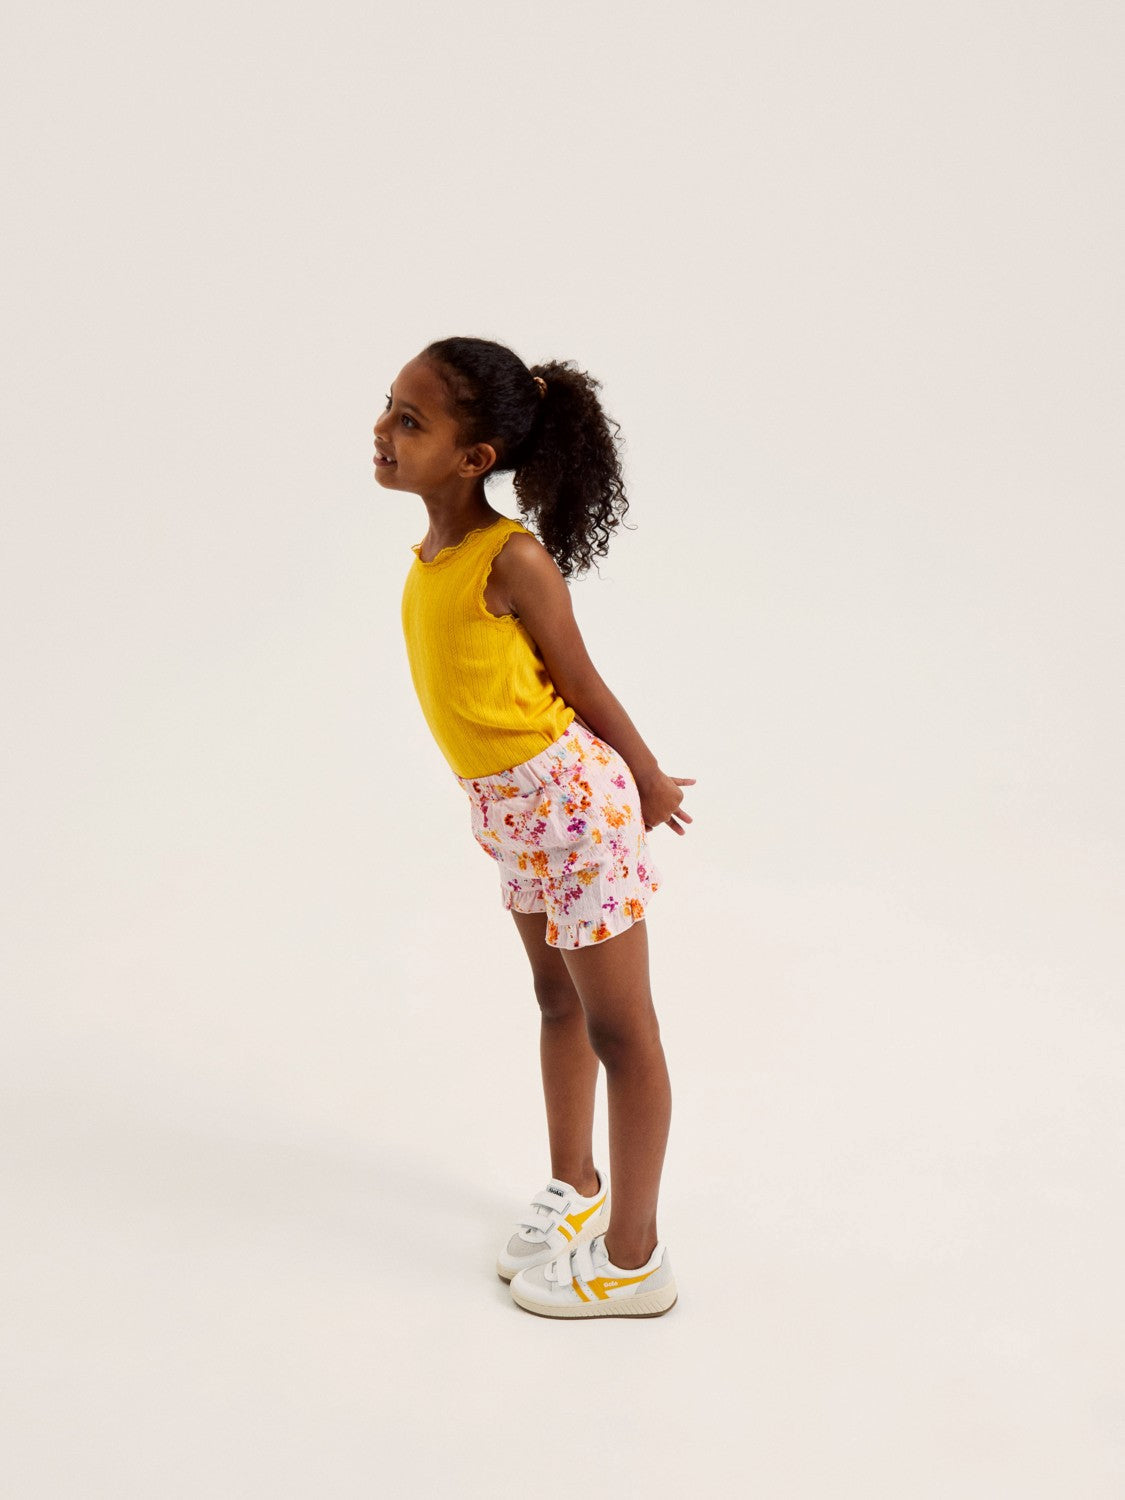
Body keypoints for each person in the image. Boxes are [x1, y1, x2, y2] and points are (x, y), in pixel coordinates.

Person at [374, 336, 694, 1319]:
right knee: (557, 1005)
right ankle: (577, 1186)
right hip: (511, 816)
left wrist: (645, 776)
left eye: (410, 421)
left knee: (621, 1030)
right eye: (388, 407)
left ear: (474, 458)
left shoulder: (510, 558)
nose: (382, 431)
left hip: (573, 808)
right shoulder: (430, 556)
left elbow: (580, 680)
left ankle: (634, 1258)